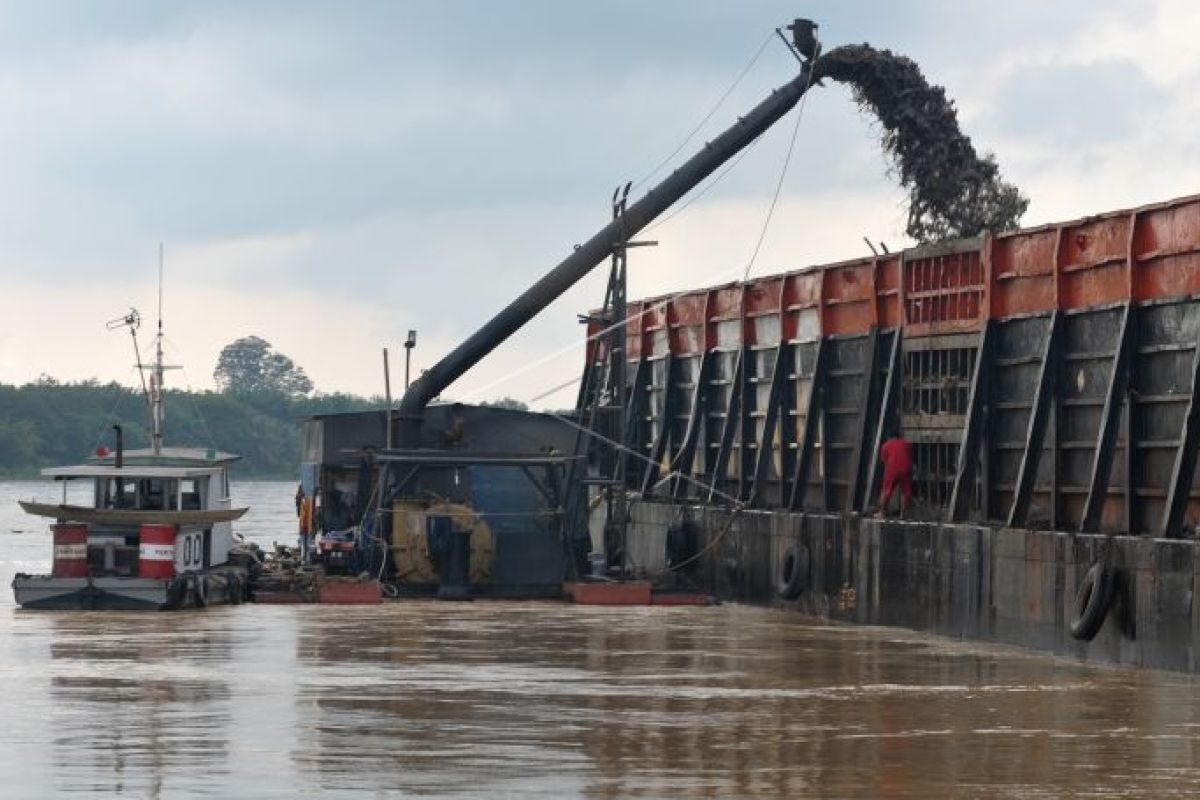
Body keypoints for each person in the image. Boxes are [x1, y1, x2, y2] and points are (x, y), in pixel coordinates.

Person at [878, 432, 913, 518]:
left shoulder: (886, 445)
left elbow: (884, 461)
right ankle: (903, 514)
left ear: (888, 437)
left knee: (886, 490)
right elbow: (909, 455)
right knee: (905, 492)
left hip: (892, 468)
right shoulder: (906, 443)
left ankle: (882, 513)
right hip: (906, 468)